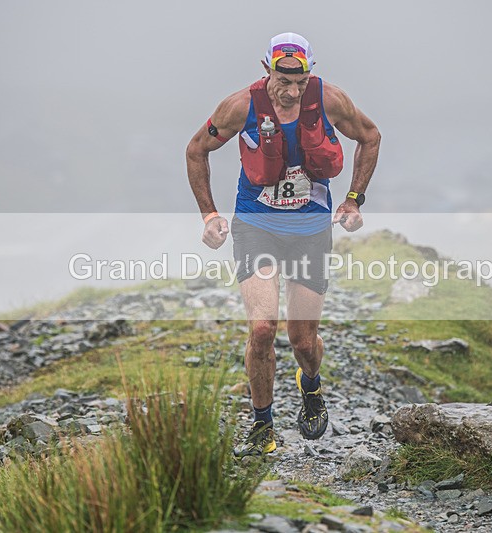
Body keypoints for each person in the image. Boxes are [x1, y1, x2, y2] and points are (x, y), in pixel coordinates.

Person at [186, 32, 380, 456]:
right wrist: (209, 214)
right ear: (267, 68)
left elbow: (370, 136)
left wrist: (353, 199)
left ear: (309, 72)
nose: (292, 91)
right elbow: (196, 149)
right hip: (257, 225)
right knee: (261, 329)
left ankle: (310, 385)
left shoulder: (330, 100)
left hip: (310, 230)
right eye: (283, 80)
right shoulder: (240, 106)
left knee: (303, 342)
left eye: (300, 81)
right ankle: (262, 425)